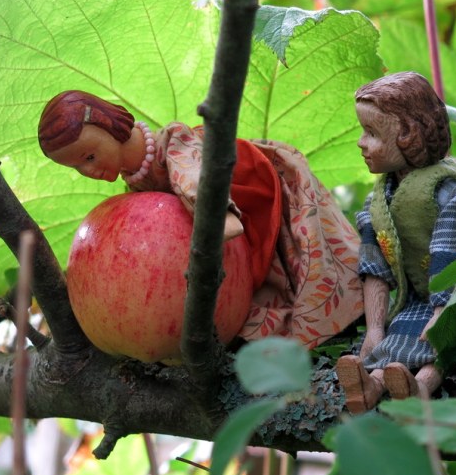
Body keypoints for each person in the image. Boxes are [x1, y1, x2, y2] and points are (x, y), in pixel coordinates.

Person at [38, 90, 364, 348]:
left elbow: (192, 177)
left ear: (110, 126)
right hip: (219, 238)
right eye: (77, 167)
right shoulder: (133, 178)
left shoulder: (173, 140)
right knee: (252, 284)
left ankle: (334, 322)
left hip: (248, 197)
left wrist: (217, 217)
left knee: (290, 260)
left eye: (90, 156)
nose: (88, 171)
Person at [335, 72, 456, 413]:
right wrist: (374, 327)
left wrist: (441, 315)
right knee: (395, 334)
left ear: (408, 135)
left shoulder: (455, 192)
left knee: (439, 342)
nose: (361, 142)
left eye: (372, 133)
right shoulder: (378, 201)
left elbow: (452, 259)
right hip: (417, 299)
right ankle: (372, 384)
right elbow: (375, 267)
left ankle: (420, 387)